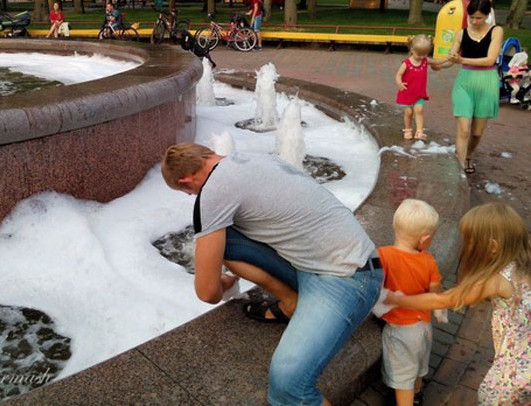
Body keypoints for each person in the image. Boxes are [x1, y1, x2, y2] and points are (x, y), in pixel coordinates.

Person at [161, 143, 383, 405]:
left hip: (346, 279)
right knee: (223, 237)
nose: (191, 196)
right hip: (330, 260)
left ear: (186, 180)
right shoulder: (255, 157)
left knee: (289, 386)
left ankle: (294, 301)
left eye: (186, 192)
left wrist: (222, 283)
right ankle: (290, 301)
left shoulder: (212, 191)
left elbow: (207, 293)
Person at [386, 202, 531, 406]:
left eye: (470, 242)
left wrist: (397, 299)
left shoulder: (496, 280)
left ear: (493, 247)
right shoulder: (522, 264)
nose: (467, 246)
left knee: (491, 398)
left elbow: (442, 300)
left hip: (516, 370)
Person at [378, 199, 444, 406]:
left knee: (402, 377)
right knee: (418, 365)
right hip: (423, 326)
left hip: (399, 330)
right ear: (424, 240)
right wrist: (440, 312)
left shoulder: (384, 255)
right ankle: (417, 395)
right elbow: (436, 293)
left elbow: (373, 284)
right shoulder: (429, 260)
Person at [447, 0, 503, 174]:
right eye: (471, 17)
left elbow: (490, 60)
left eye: (478, 17)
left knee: (476, 133)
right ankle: (459, 168)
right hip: (465, 82)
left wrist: (461, 59)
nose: (474, 21)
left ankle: (468, 155)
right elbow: (450, 59)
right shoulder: (462, 33)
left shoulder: (496, 31)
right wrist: (433, 63)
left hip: (487, 82)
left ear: (487, 15)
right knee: (463, 130)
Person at [395, 35, 451, 140]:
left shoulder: (425, 60)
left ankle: (419, 131)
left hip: (418, 93)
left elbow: (436, 62)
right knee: (409, 112)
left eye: (425, 54)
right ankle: (408, 129)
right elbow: (398, 74)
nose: (422, 57)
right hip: (407, 92)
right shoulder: (406, 63)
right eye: (419, 54)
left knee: (419, 110)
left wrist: (447, 58)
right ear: (412, 49)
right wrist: (399, 83)